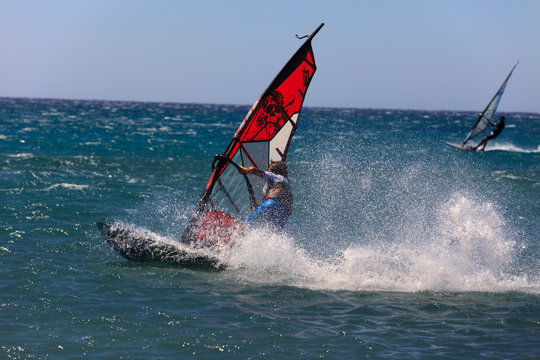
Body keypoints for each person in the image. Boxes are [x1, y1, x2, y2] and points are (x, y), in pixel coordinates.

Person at [237, 161, 293, 232]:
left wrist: (244, 170)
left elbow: (253, 170)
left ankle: (230, 243)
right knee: (270, 235)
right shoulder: (287, 183)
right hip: (284, 214)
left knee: (244, 229)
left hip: (272, 203)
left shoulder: (276, 176)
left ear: (273, 172)